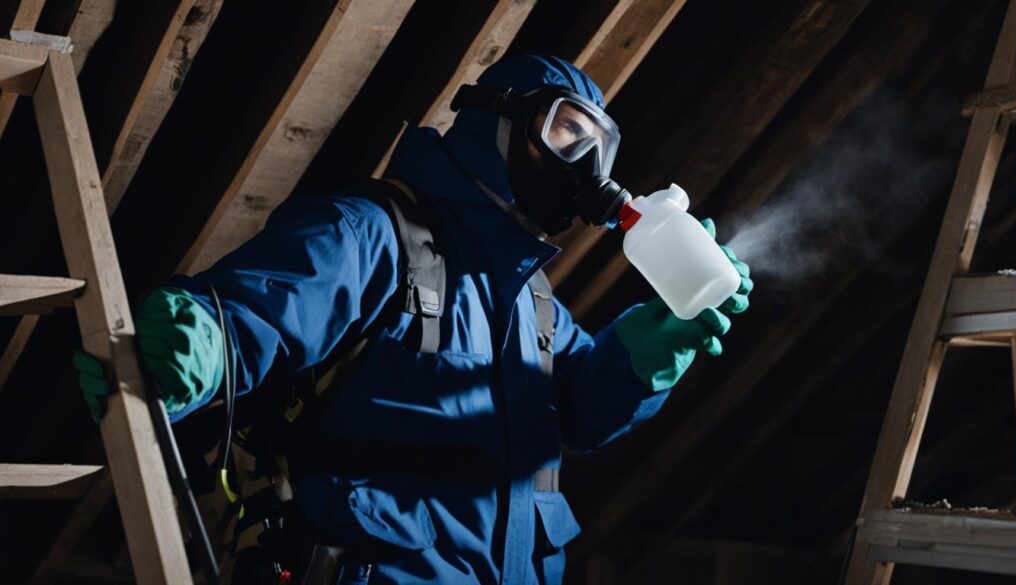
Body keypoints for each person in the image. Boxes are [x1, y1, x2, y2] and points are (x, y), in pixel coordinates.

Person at [73, 55, 752, 584]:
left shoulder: (531, 298)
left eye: (601, 146)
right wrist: (199, 339)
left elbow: (576, 412)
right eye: (570, 131)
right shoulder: (371, 235)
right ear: (503, 123)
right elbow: (262, 309)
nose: (591, 165)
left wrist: (641, 352)